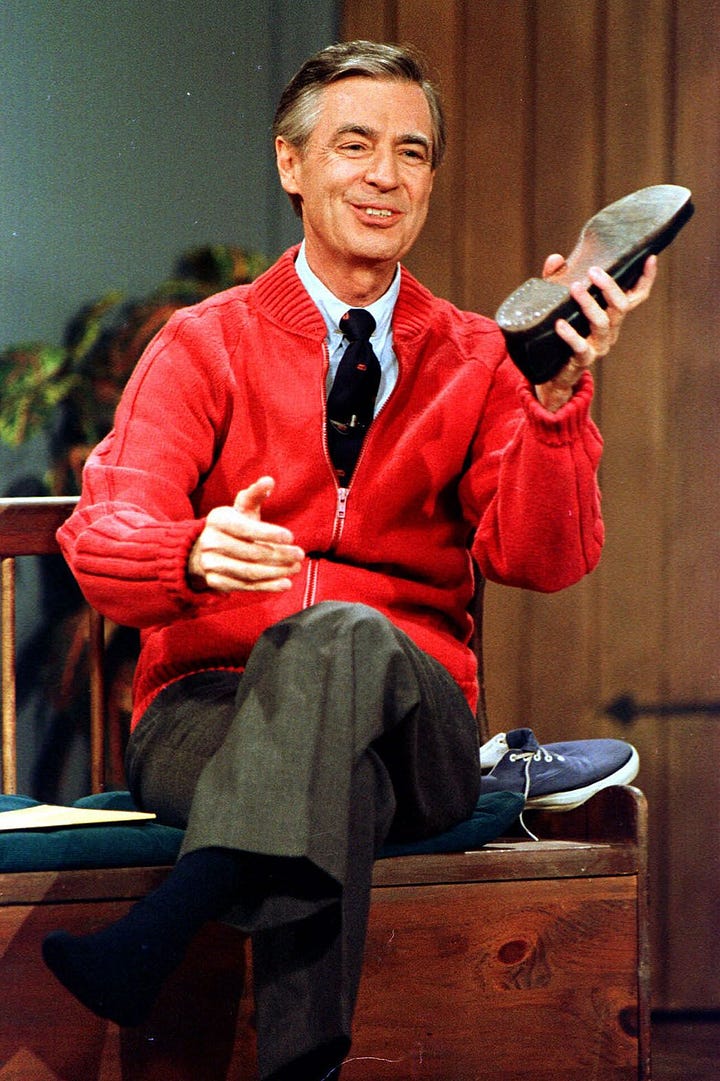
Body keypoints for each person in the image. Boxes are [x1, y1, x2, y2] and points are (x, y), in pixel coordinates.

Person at [42, 40, 656, 1081]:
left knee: (341, 636)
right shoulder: (203, 344)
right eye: (354, 145)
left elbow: (544, 558)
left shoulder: (478, 355)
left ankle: (172, 918)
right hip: (207, 717)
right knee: (336, 781)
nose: (384, 176)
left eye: (411, 153)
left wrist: (554, 398)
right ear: (291, 163)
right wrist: (190, 550)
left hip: (416, 727)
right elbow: (102, 536)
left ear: (430, 179)